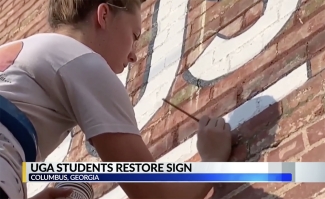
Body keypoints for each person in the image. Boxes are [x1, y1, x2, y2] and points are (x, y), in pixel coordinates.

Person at [0, 0, 233, 198]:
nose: (133, 55)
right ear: (103, 16)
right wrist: (213, 158)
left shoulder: (28, 49)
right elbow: (157, 194)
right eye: (134, 36)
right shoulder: (82, 60)